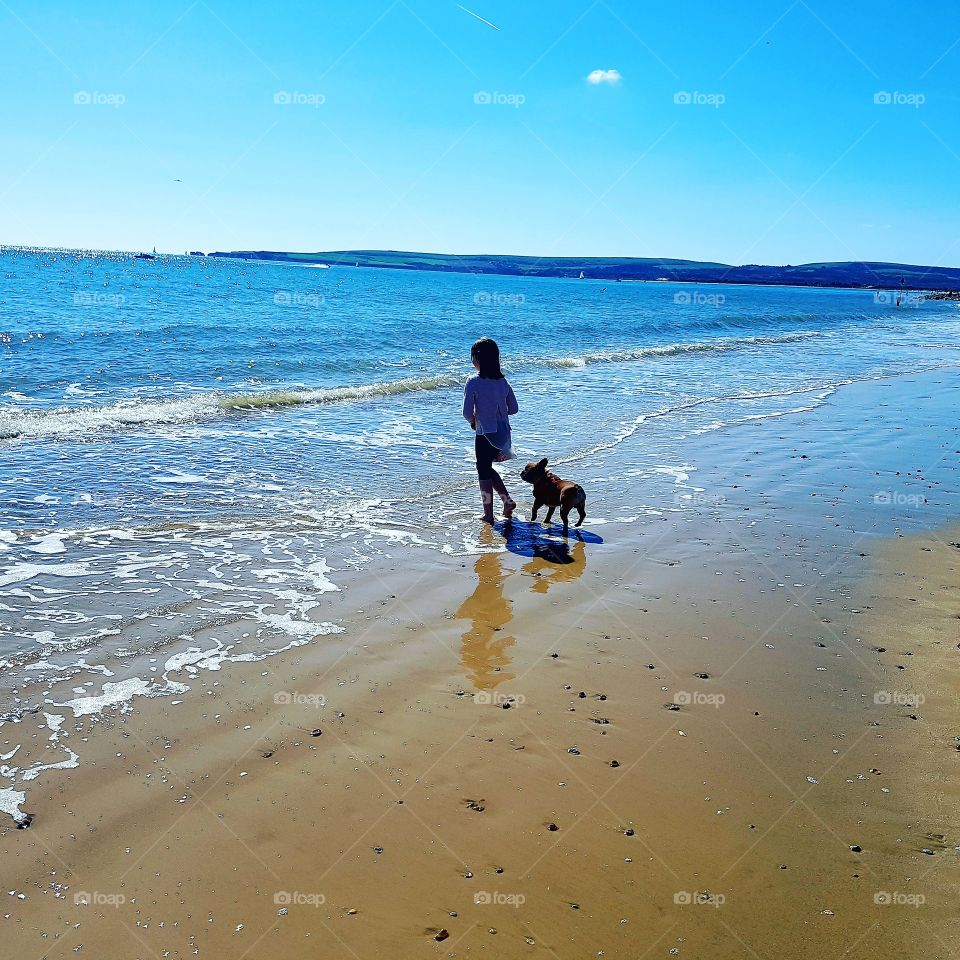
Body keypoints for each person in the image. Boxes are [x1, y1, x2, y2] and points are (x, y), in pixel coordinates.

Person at [463, 337, 518, 523]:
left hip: (484, 434)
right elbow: (514, 409)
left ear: (477, 359)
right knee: (486, 467)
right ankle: (507, 501)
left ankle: (488, 514)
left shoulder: (473, 382)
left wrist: (474, 421)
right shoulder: (503, 382)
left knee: (483, 470)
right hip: (503, 433)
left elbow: (466, 412)